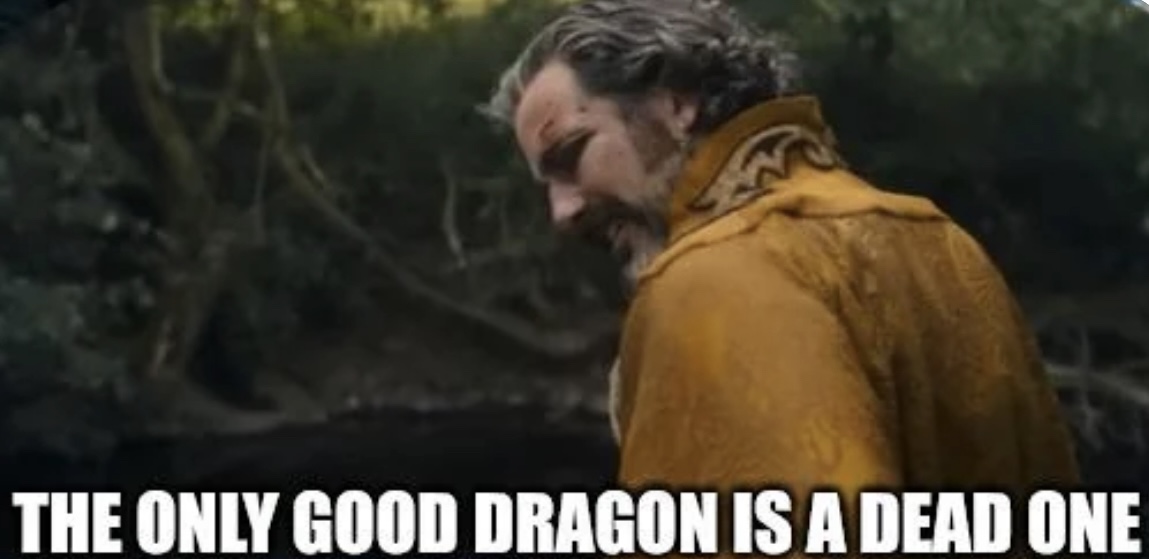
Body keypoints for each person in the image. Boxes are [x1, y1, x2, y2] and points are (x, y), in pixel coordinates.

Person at [481, 0, 1080, 534]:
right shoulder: (939, 239)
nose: (562, 211)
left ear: (675, 104)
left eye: (571, 154)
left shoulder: (709, 278)